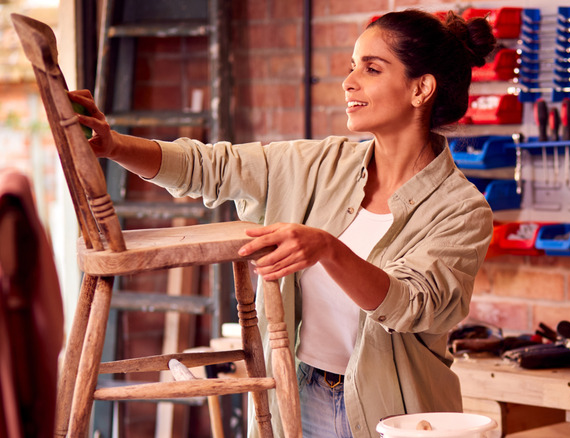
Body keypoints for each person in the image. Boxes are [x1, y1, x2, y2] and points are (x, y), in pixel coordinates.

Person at [69, 8, 496, 438]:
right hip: (300, 395)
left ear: (421, 88)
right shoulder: (322, 164)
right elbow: (213, 167)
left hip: (398, 416)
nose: (349, 82)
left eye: (371, 68)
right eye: (352, 67)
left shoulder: (461, 210)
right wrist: (114, 145)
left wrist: (328, 248)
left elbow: (412, 303)